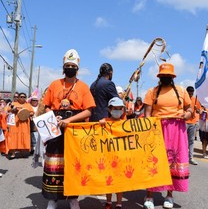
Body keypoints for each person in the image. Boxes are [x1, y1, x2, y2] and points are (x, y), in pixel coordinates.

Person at [42, 49, 96, 209]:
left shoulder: (83, 87)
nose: (70, 68)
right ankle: (53, 199)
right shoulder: (54, 84)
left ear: (77, 68)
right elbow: (46, 106)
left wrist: (69, 121)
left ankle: (73, 198)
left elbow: (88, 110)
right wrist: (53, 117)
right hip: (55, 127)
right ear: (63, 67)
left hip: (75, 129)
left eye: (73, 66)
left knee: (74, 163)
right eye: (68, 65)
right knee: (54, 162)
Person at [143, 63, 192, 209]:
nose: (166, 78)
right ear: (159, 77)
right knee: (154, 161)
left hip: (177, 129)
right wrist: (148, 128)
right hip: (157, 129)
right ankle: (149, 195)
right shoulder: (152, 92)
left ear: (173, 77)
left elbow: (189, 109)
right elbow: (147, 114)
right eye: (163, 76)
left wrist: (186, 114)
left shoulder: (182, 91)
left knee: (173, 161)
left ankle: (169, 195)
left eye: (168, 76)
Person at [99, 97, 125, 209]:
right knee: (109, 181)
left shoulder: (125, 124)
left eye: (120, 108)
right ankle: (108, 202)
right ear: (109, 110)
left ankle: (119, 203)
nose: (118, 111)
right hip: (108, 157)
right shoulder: (104, 121)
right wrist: (100, 124)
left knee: (120, 182)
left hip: (121, 158)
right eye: (115, 108)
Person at [6, 92, 34, 158]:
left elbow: (32, 112)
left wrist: (26, 114)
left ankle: (22, 152)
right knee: (14, 138)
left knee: (23, 137)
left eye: (24, 97)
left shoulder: (28, 105)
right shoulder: (14, 103)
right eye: (21, 97)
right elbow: (8, 110)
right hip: (15, 124)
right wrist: (13, 110)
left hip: (24, 124)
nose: (22, 98)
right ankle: (13, 153)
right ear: (18, 97)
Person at [185, 86, 201, 165]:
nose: (190, 95)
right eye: (189, 93)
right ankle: (183, 157)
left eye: (192, 93)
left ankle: (191, 158)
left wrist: (196, 108)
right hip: (184, 122)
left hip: (193, 122)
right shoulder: (183, 99)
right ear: (186, 92)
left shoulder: (195, 99)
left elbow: (199, 111)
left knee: (191, 141)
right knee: (183, 140)